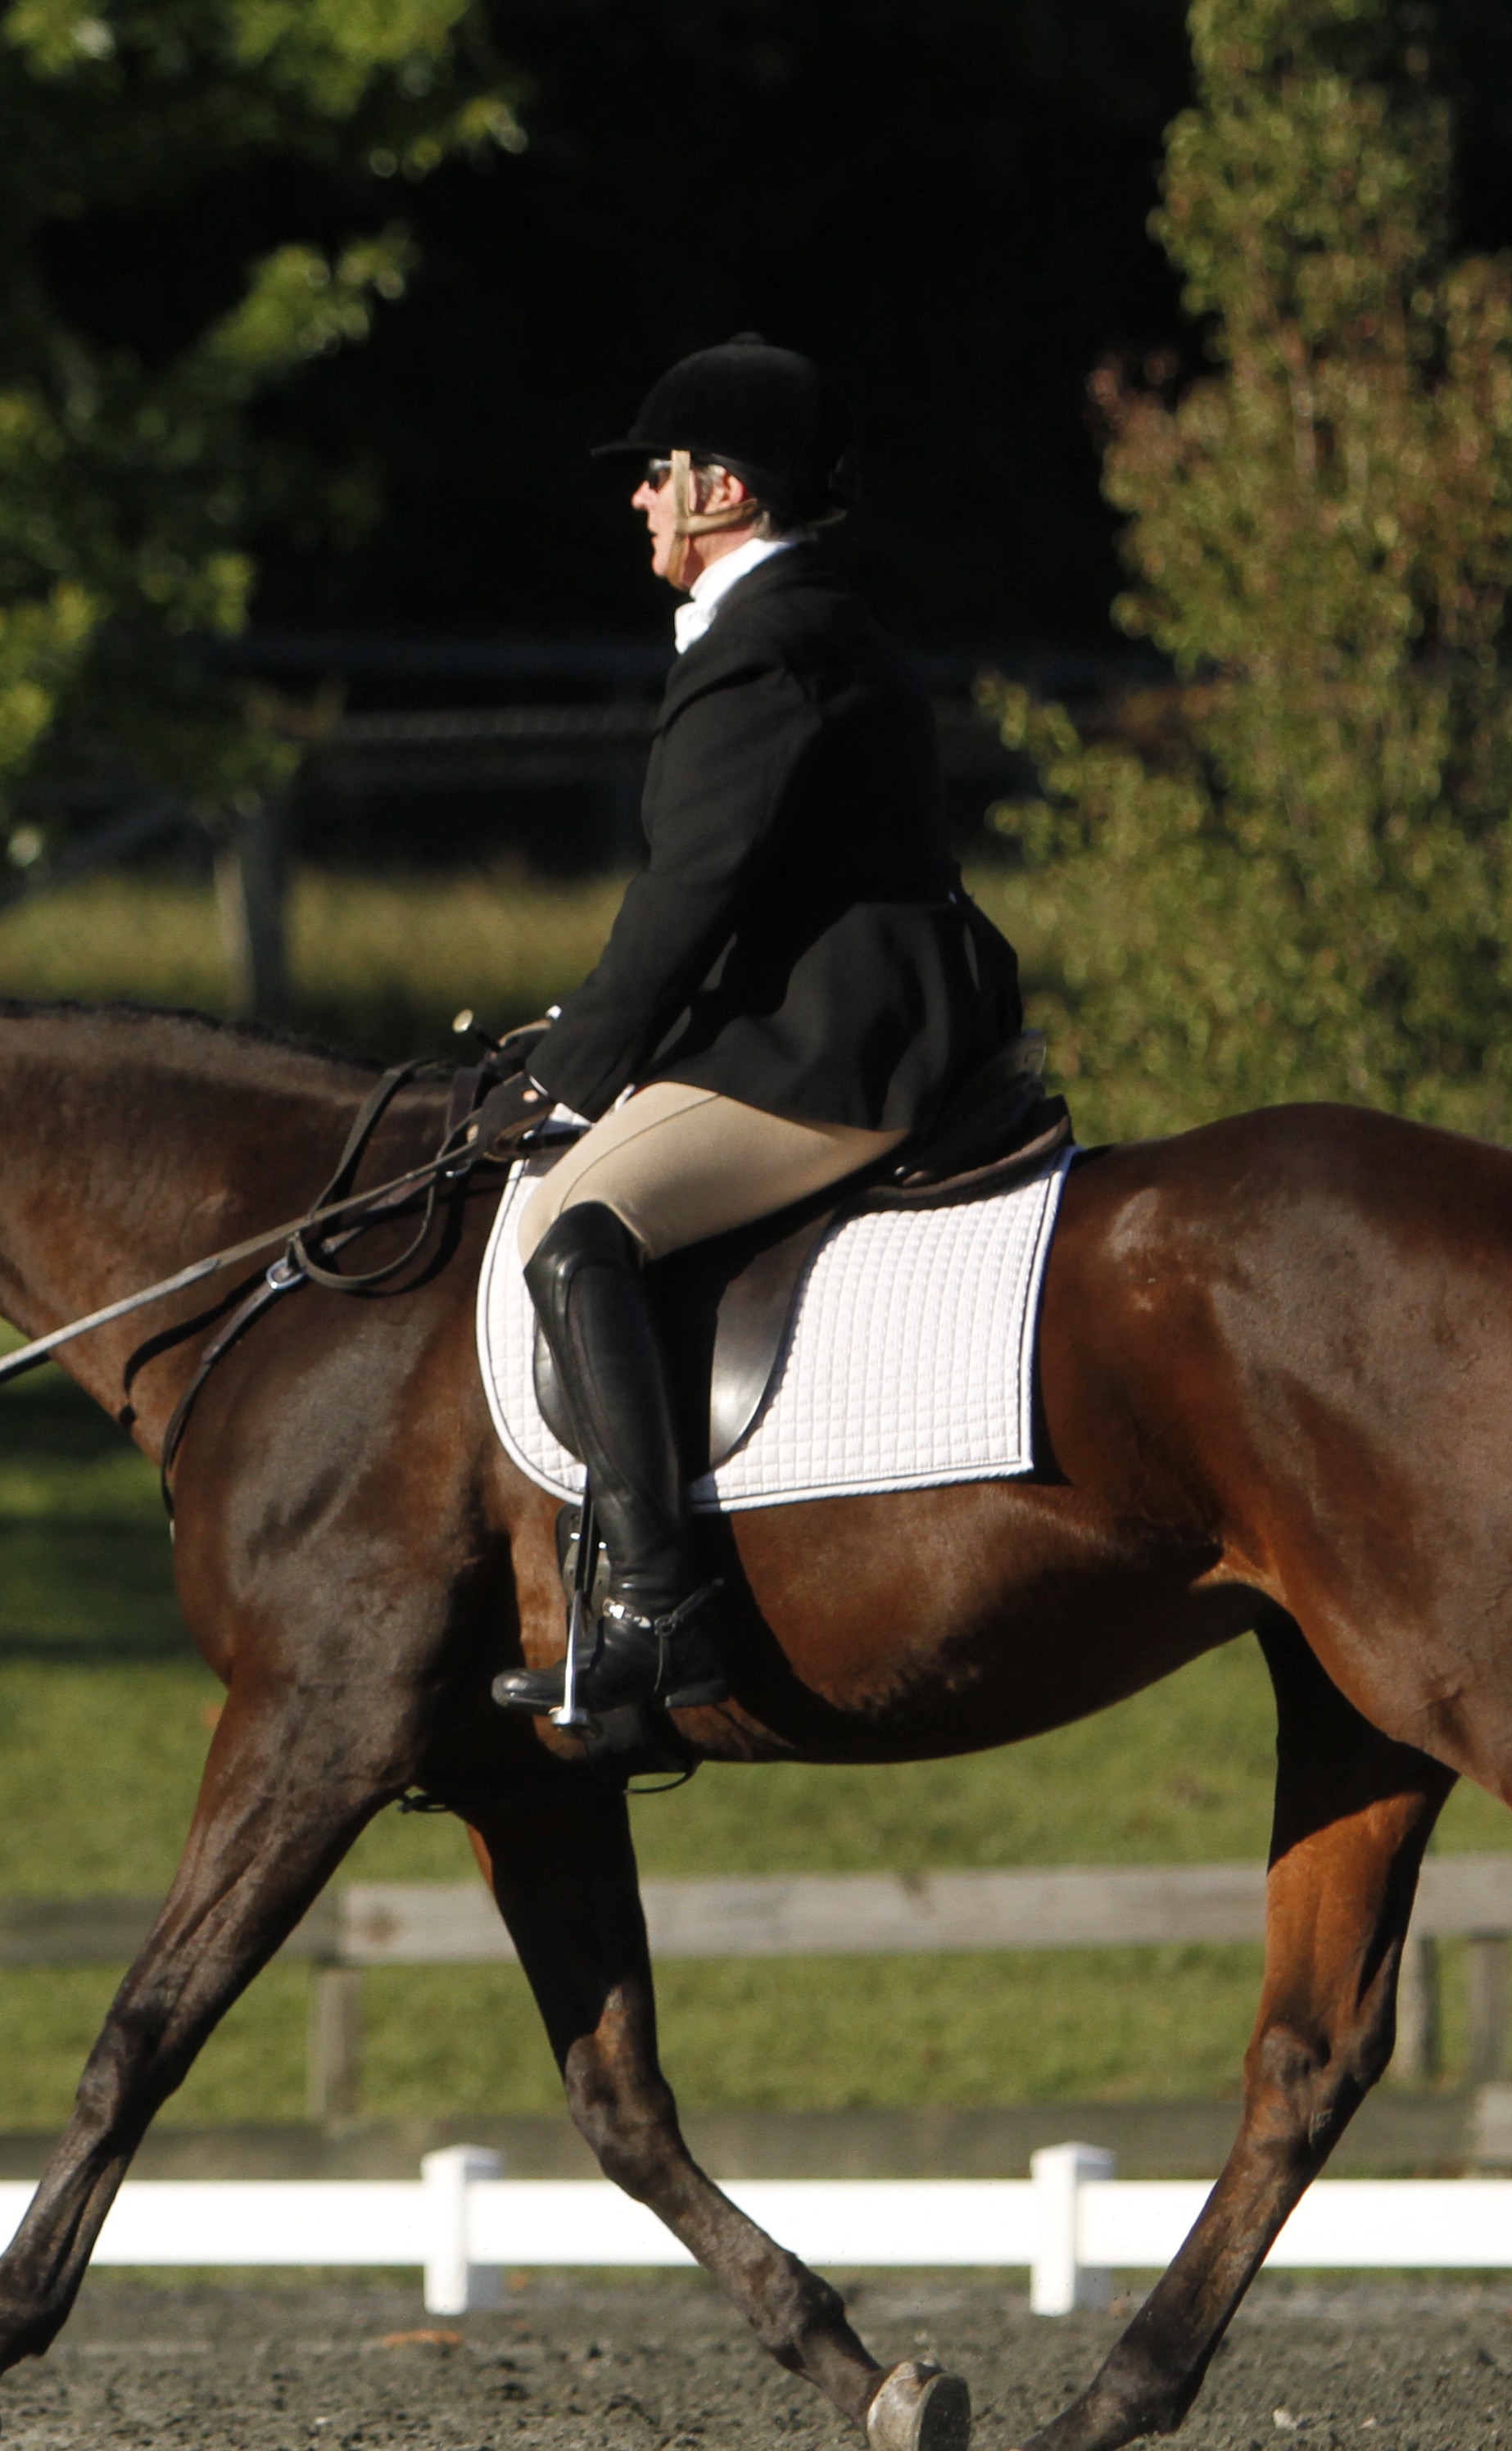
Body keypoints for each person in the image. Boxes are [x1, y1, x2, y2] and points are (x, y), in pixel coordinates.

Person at [487, 336, 1025, 1727]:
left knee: (578, 1225)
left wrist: (559, 1083)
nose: (639, 503)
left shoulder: (764, 648)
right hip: (852, 1011)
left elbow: (688, 894)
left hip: (835, 1049)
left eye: (656, 477)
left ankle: (659, 1612)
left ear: (721, 490)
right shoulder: (814, 623)